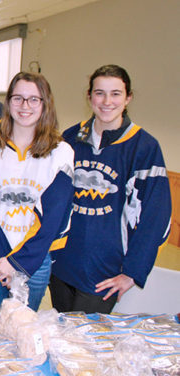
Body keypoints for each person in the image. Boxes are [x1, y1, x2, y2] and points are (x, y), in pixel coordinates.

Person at [50, 65, 171, 314]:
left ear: (128, 98)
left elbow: (156, 216)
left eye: (115, 94)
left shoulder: (144, 147)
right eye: (99, 93)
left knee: (86, 347)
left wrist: (132, 272)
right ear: (89, 96)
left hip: (104, 272)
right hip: (61, 263)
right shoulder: (70, 138)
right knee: (61, 339)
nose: (107, 102)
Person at [0, 72, 74, 314]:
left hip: (34, 260)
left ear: (45, 104)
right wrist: (3, 259)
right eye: (18, 98)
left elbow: (54, 217)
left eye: (34, 99)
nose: (25, 106)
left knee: (22, 332)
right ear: (8, 102)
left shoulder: (62, 152)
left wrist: (17, 263)